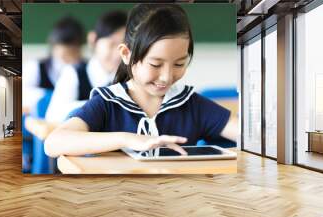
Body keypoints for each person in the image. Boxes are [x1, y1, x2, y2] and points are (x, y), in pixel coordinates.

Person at [44, 4, 238, 157]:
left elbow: (251, 136)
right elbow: (54, 143)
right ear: (126, 54)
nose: (167, 77)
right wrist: (128, 139)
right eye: (155, 64)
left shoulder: (191, 104)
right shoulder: (107, 103)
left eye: (179, 64)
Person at [45, 10, 127, 123]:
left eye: (125, 46)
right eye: (111, 44)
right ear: (93, 40)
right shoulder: (74, 72)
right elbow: (54, 116)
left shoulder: (130, 77)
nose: (118, 54)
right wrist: (99, 104)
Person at [22, 16, 85, 114]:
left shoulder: (86, 70)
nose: (68, 56)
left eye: (73, 50)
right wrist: (44, 96)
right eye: (64, 52)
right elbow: (22, 98)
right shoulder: (35, 67)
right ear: (54, 46)